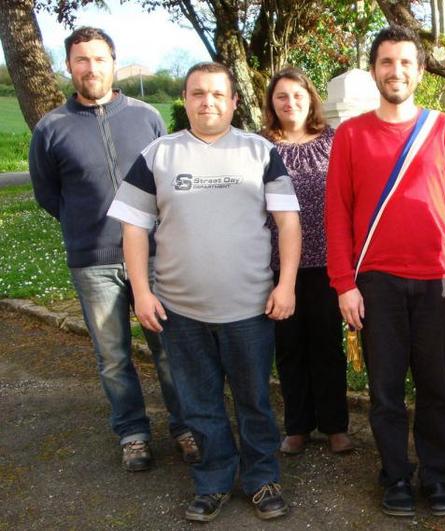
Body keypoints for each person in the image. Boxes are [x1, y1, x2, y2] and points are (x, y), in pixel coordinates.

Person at [107, 62, 301, 523]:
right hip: (180, 311)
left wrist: (287, 283)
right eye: (197, 93)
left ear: (234, 101)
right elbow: (134, 228)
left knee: (254, 399)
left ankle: (261, 479)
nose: (207, 101)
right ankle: (213, 480)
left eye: (217, 94)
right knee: (199, 403)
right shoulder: (158, 154)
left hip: (250, 308)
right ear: (185, 100)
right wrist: (141, 291)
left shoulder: (260, 152)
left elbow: (288, 222)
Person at [325, 25, 445, 518]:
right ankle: (394, 475)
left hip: (435, 281)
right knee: (386, 390)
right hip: (376, 284)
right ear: (374, 70)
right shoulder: (350, 134)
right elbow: (337, 213)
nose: (396, 71)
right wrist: (344, 284)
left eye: (406, 62)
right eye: (387, 62)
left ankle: (435, 477)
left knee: (435, 388)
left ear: (420, 70)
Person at [28, 26, 196, 472]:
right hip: (94, 261)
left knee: (171, 349)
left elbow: (167, 177)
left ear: (113, 62)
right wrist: (84, 224)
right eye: (81, 59)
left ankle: (186, 427)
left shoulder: (146, 117)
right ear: (69, 66)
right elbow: (48, 194)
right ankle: (133, 433)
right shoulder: (51, 128)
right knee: (113, 356)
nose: (91, 68)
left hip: (158, 256)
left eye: (99, 59)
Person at [260, 67, 352, 455]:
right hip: (277, 265)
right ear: (272, 103)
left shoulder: (334, 142)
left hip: (327, 263)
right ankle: (297, 426)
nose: (290, 103)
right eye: (281, 96)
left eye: (297, 95)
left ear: (311, 99)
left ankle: (335, 425)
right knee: (289, 345)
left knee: (327, 345)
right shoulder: (259, 146)